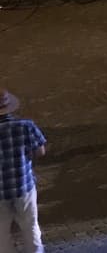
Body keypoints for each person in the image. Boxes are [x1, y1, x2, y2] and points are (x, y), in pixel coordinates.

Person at [0, 89, 46, 253]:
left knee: (2, 233)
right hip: (23, 185)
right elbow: (40, 151)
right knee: (30, 226)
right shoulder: (26, 126)